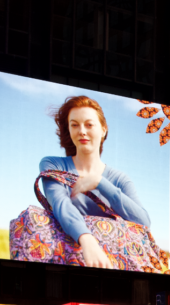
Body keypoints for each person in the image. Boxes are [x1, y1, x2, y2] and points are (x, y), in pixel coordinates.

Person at [39, 95, 152, 270]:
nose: (82, 131)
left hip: (109, 267)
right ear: (68, 130)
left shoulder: (119, 179)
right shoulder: (53, 165)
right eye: (74, 125)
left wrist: (101, 182)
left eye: (89, 125)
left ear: (103, 130)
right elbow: (60, 204)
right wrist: (87, 239)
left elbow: (143, 222)